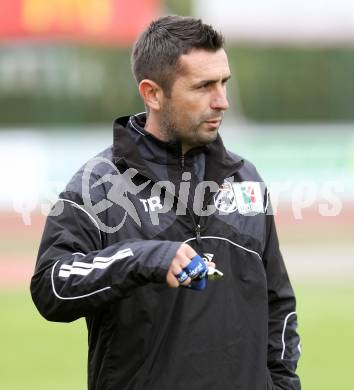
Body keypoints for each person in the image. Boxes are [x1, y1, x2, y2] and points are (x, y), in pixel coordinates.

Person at [30, 15, 301, 390]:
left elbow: (279, 307)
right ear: (153, 93)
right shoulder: (97, 184)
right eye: (204, 86)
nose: (221, 101)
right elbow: (51, 286)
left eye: (223, 83)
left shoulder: (246, 180)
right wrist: (143, 258)